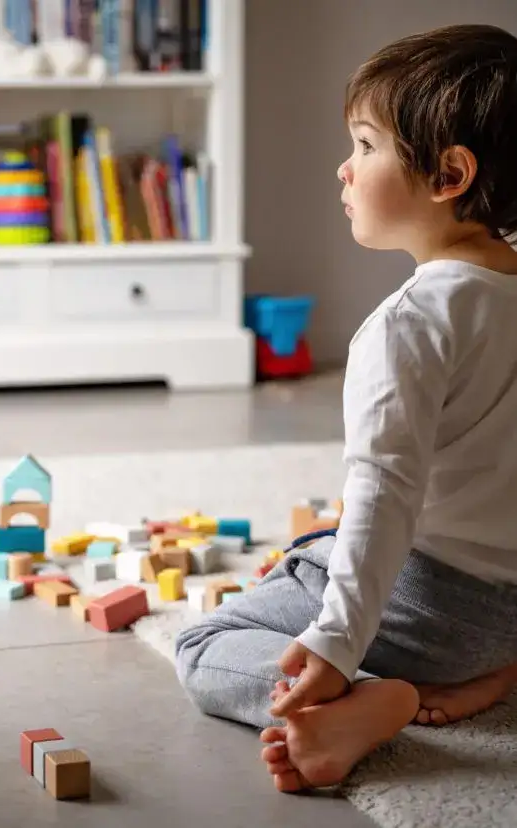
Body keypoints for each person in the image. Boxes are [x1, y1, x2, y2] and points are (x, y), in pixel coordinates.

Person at [176, 23, 517, 794]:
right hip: (506, 612)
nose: (344, 168)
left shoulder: (406, 326)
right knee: (318, 543)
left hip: (431, 603)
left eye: (365, 145)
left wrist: (332, 643)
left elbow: (383, 497)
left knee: (206, 641)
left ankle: (366, 697)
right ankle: (492, 671)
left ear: (448, 174)